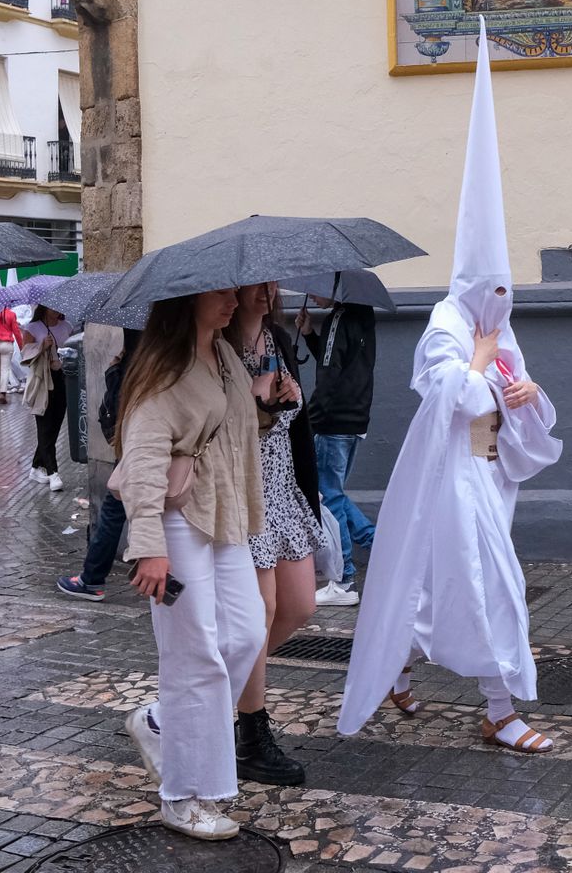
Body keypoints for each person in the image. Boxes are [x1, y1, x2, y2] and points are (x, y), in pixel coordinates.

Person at [340, 19, 563, 755]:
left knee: (443, 587)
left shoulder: (494, 318)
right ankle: (500, 710)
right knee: (491, 585)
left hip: (492, 474)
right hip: (453, 474)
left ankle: (401, 670)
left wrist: (523, 391)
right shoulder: (449, 321)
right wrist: (483, 366)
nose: (501, 300)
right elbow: (447, 395)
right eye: (490, 287)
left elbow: (516, 389)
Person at [116, 291, 264, 841]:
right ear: (187, 302)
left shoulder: (223, 357)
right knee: (194, 655)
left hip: (224, 514)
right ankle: (185, 796)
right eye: (222, 294)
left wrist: (264, 406)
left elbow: (231, 431)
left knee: (246, 635)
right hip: (176, 523)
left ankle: (160, 721)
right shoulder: (162, 374)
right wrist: (149, 547)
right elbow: (144, 465)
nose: (234, 301)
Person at [225, 281, 321, 785]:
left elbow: (293, 422)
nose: (265, 293)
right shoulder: (220, 347)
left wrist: (291, 397)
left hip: (283, 485)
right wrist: (261, 406)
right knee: (258, 616)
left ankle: (211, 699)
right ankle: (250, 733)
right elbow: (223, 426)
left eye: (270, 285)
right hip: (244, 492)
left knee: (299, 606)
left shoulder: (278, 340)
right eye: (253, 286)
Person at [297, 294, 376, 606]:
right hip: (355, 419)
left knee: (329, 499)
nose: (313, 295)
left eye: (319, 288)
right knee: (335, 495)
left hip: (333, 422)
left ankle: (343, 581)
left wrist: (309, 424)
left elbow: (329, 377)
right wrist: (309, 335)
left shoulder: (338, 319)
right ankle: (383, 547)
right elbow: (338, 365)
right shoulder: (362, 313)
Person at [57, 328, 142, 602]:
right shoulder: (153, 358)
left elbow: (118, 403)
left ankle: (92, 578)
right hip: (136, 443)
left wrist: (115, 370)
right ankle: (93, 577)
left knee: (116, 509)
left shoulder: (140, 363)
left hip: (135, 445)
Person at [22, 305, 72, 491]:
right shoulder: (33, 327)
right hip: (43, 380)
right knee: (44, 425)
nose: (56, 310)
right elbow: (25, 354)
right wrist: (42, 346)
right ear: (44, 307)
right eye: (52, 307)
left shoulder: (66, 325)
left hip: (64, 379)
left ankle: (36, 467)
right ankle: (53, 472)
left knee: (54, 427)